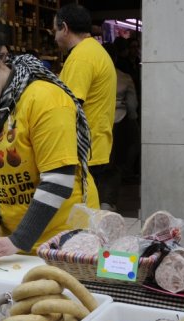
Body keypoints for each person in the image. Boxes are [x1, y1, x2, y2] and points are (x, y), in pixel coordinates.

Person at [0, 11, 98, 258]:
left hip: (63, 242)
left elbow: (58, 180)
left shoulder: (45, 100)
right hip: (14, 243)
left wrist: (19, 239)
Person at [53, 3, 116, 209]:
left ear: (64, 27)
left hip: (84, 150)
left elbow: (68, 106)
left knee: (80, 218)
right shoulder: (94, 51)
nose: (55, 38)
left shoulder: (81, 57)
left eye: (55, 30)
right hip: (95, 145)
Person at [99, 42, 139, 211]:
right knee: (114, 165)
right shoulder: (124, 77)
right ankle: (107, 202)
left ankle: (93, 199)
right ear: (115, 58)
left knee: (95, 164)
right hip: (119, 122)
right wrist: (133, 120)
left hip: (95, 122)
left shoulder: (92, 75)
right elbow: (132, 105)